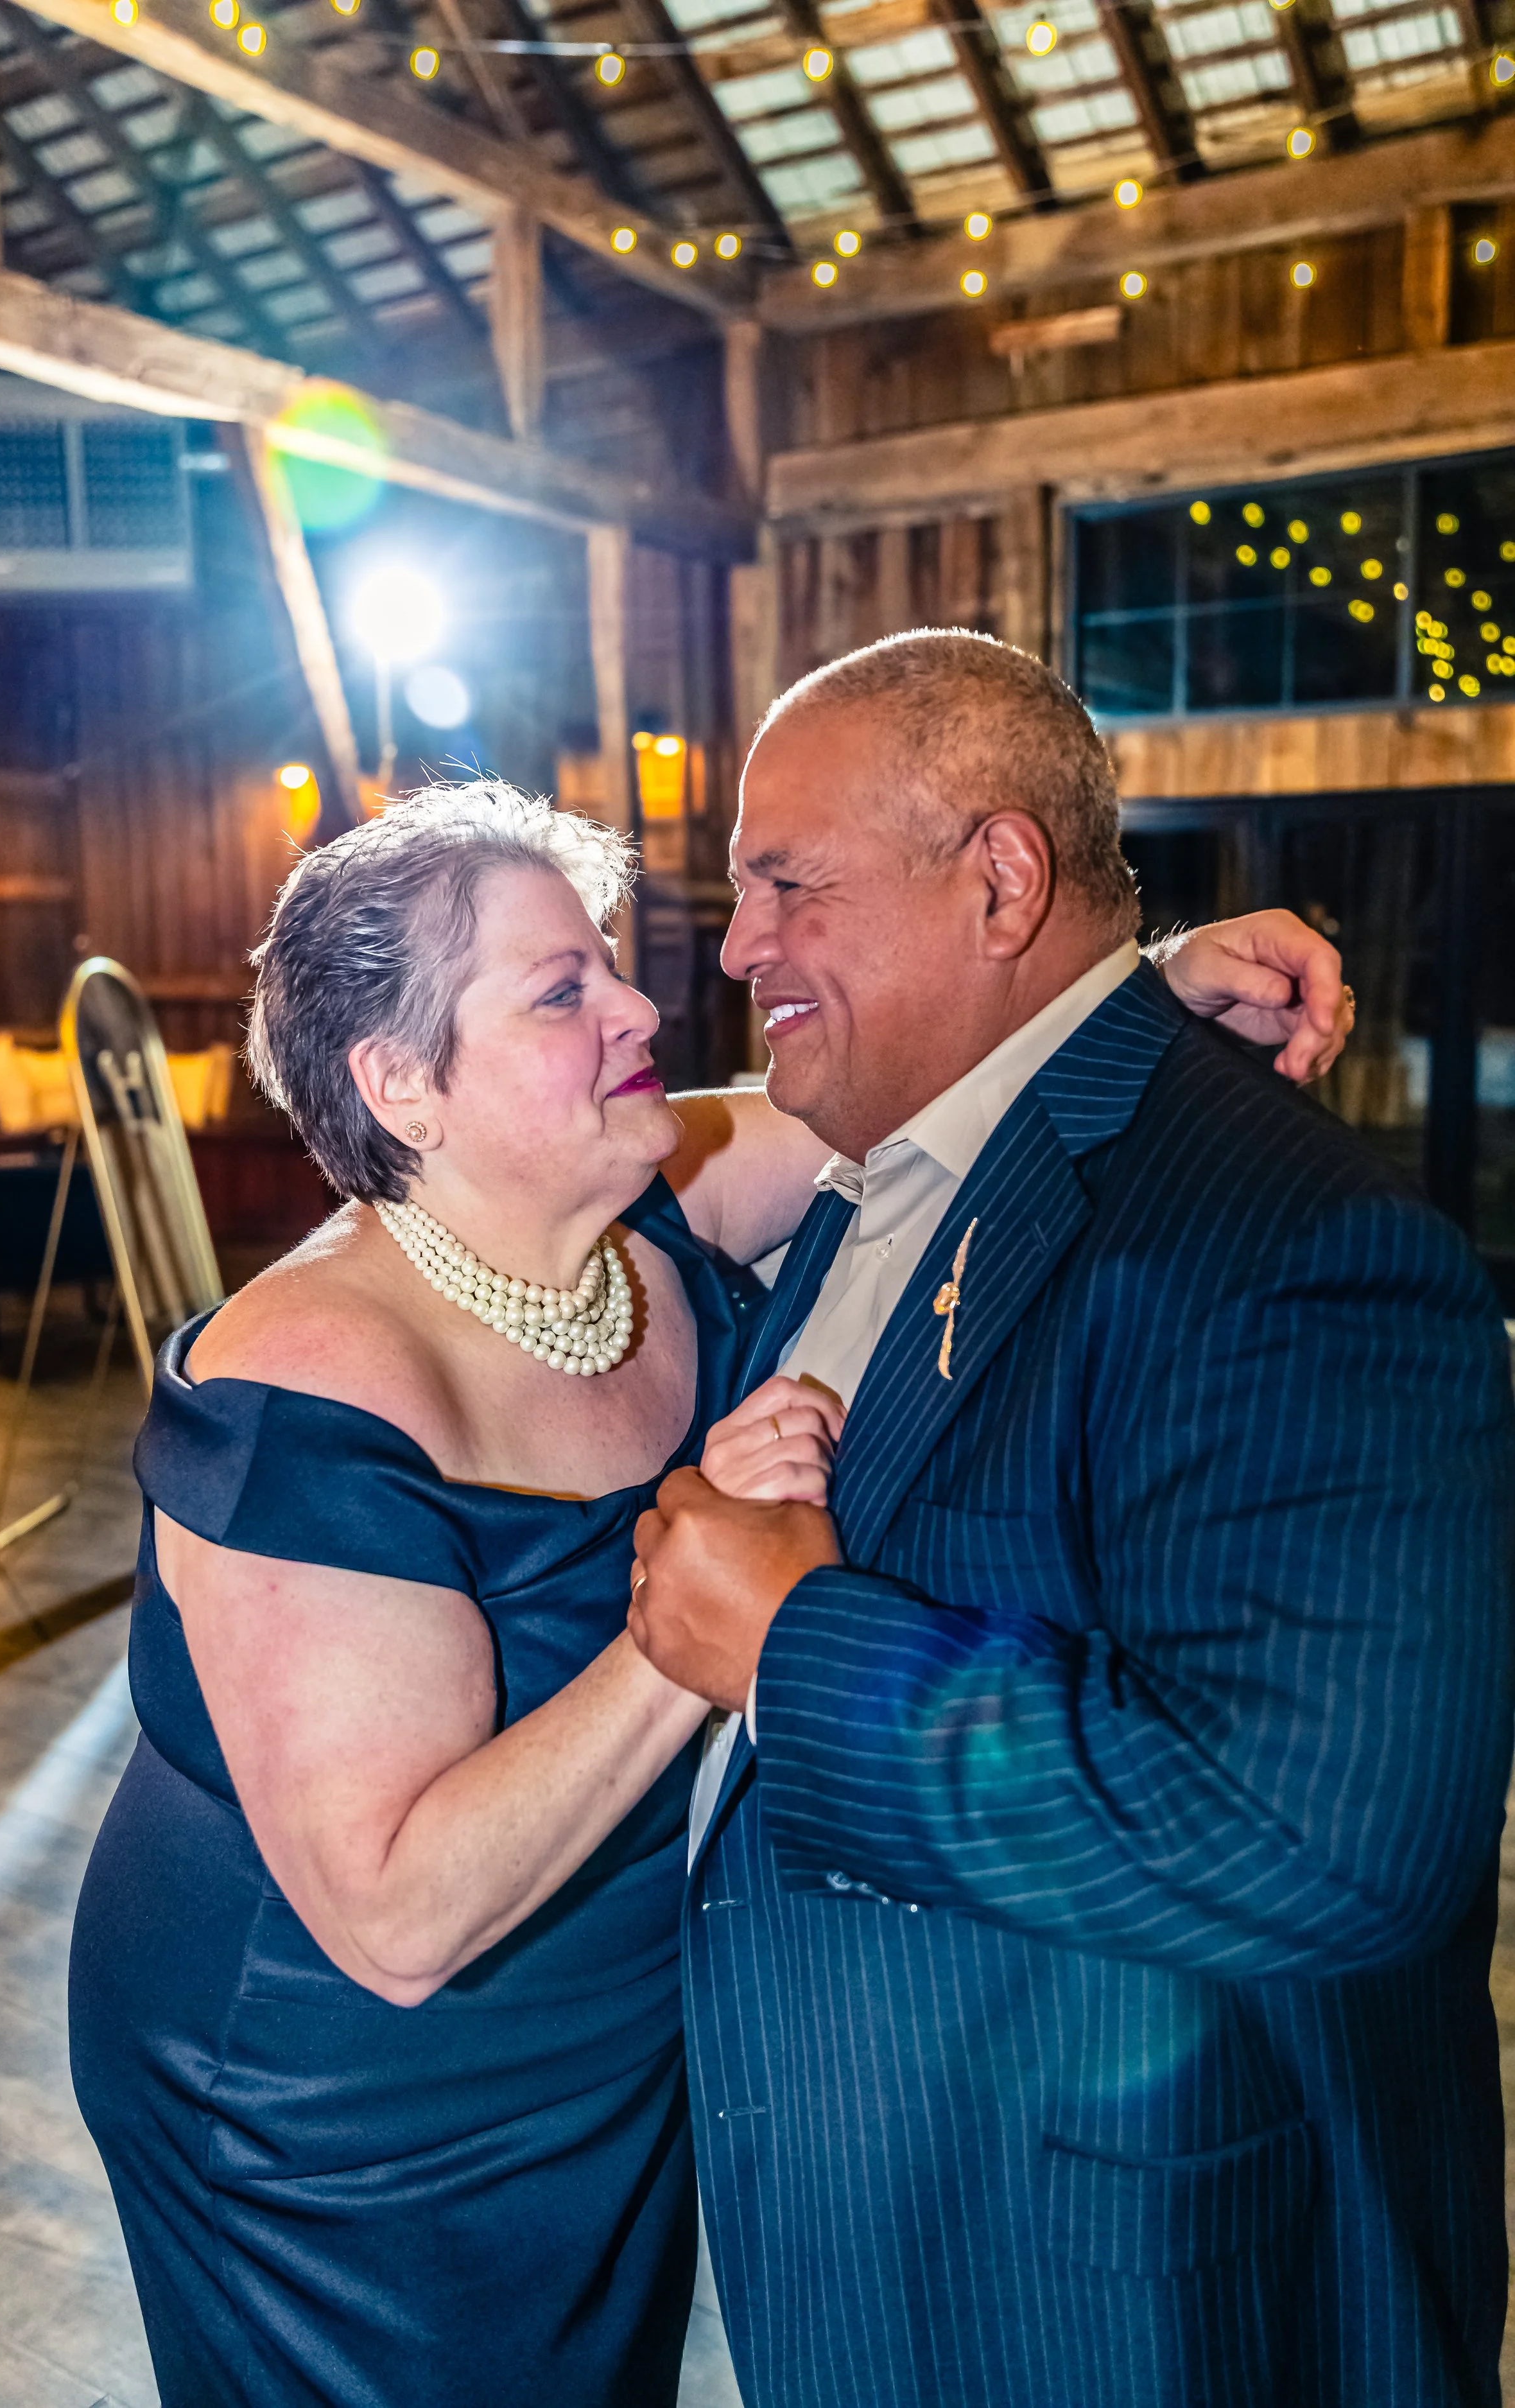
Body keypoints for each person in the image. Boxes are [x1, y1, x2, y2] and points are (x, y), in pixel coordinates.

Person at [69, 777, 1352, 2408]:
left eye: (605, 965)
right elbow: (393, 1915)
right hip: (336, 2111)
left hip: (607, 2034)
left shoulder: (643, 1198)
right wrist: (706, 1601)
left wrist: (1149, 988)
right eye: (560, 992)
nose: (636, 1009)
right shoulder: (307, 1394)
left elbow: (935, 1090)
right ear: (401, 1083)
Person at [630, 631, 1515, 2408]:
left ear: (999, 880)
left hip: (1125, 2303)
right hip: (899, 2240)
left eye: (787, 885)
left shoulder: (1293, 1244)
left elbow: (1332, 1836)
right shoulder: (885, 1156)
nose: (734, 949)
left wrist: (793, 1651)